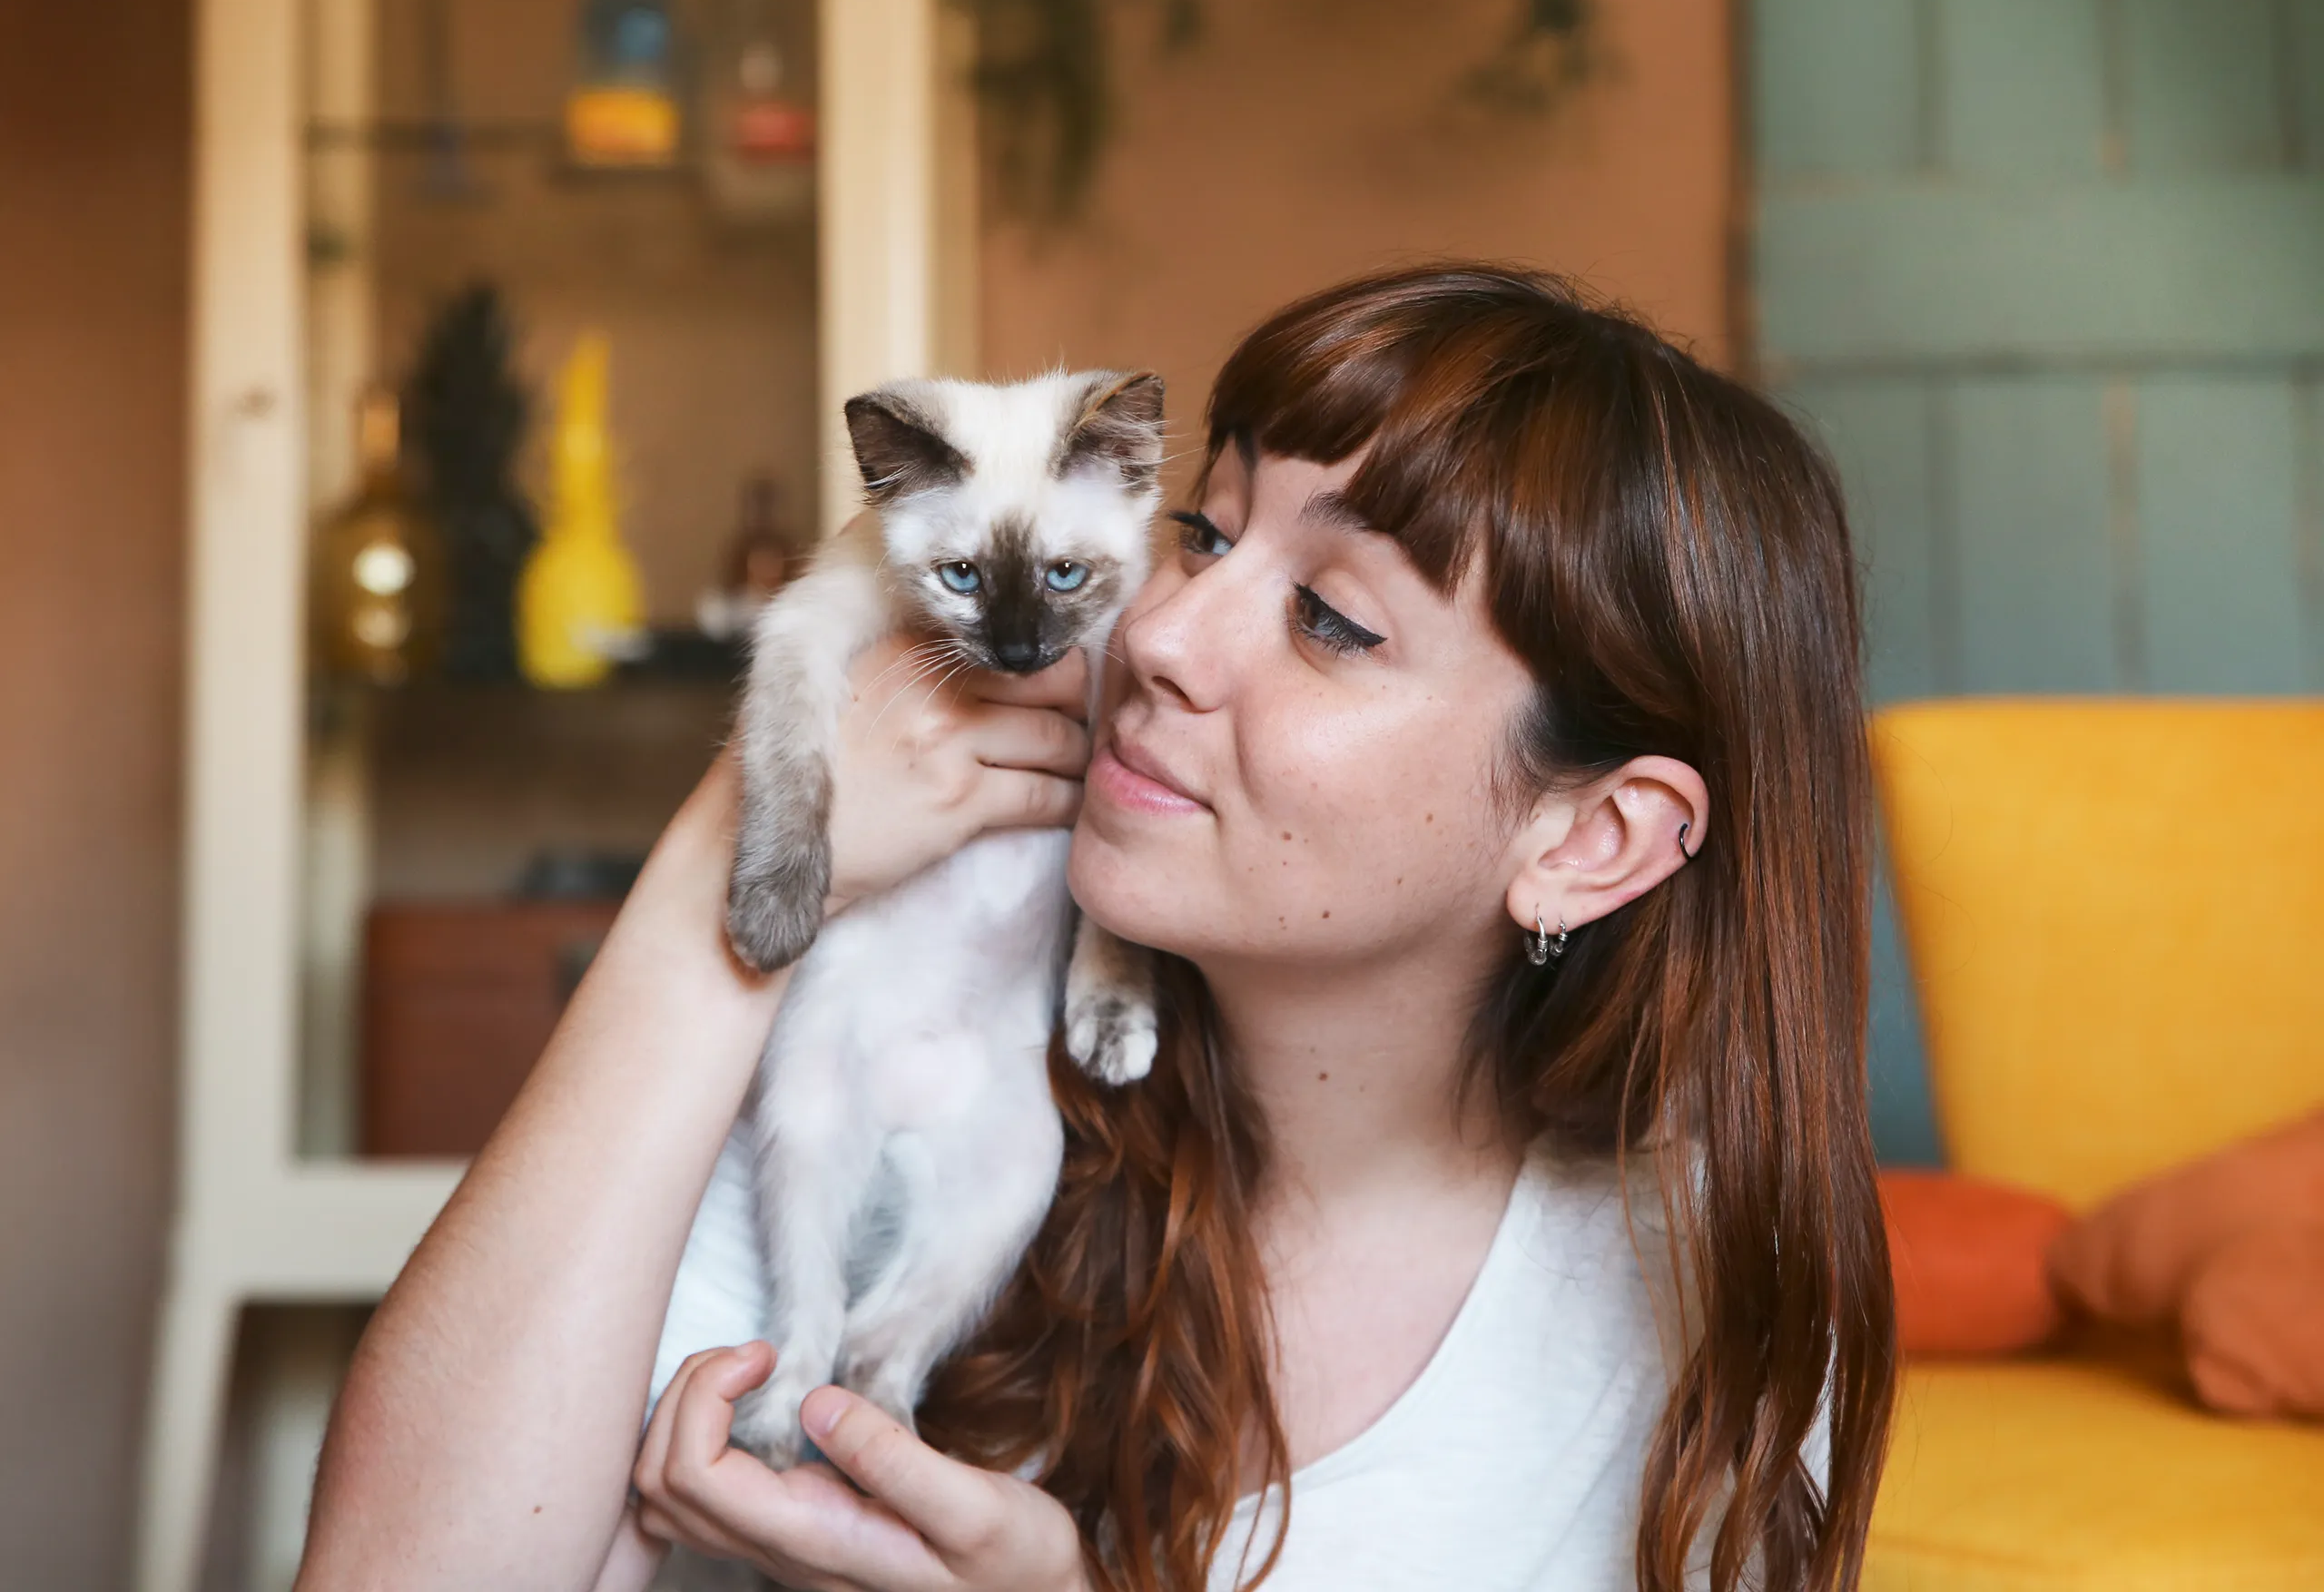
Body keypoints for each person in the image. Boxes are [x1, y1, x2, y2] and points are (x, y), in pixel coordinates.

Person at [300, 264, 1896, 1592]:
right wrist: (722, 871)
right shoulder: (930, 1046)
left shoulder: (1706, 1299)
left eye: (1334, 618)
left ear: (1590, 837)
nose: (1166, 636)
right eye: (1202, 532)